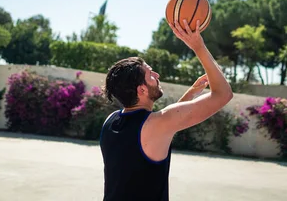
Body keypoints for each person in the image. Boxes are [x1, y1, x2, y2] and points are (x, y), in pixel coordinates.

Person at [99, 19, 233, 201]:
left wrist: (191, 93)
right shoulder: (156, 124)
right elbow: (223, 94)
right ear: (142, 90)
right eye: (151, 75)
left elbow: (164, 127)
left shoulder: (111, 121)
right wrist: (198, 47)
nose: (157, 75)